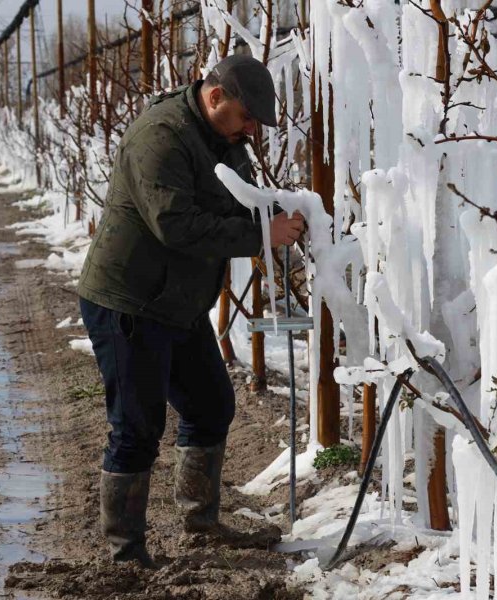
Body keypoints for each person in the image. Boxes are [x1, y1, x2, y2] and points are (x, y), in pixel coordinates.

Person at [77, 54, 305, 567]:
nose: (251, 130)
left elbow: (238, 203)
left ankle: (200, 525)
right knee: (136, 429)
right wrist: (259, 236)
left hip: (176, 302)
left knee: (209, 405)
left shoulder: (225, 139)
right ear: (215, 95)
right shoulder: (159, 136)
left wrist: (286, 214)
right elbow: (175, 226)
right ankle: (126, 556)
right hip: (129, 301)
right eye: (247, 117)